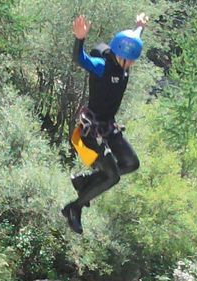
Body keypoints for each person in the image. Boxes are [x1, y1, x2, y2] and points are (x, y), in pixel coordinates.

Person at [62, 12, 148, 234]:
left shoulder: (124, 64)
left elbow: (132, 39)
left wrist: (139, 27)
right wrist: (79, 39)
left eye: (133, 60)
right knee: (112, 177)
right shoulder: (102, 66)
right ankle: (74, 208)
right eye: (129, 59)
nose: (131, 64)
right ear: (119, 54)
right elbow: (80, 59)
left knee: (131, 163)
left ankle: (85, 181)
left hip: (108, 126)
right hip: (91, 130)